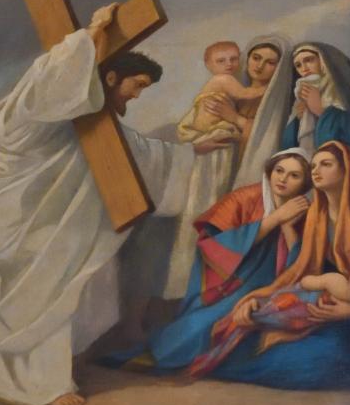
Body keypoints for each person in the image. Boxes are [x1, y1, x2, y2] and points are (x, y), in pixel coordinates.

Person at [0, 3, 228, 405]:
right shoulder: (36, 106)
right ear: (110, 76)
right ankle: (45, 385)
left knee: (50, 293)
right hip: (23, 220)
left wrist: (193, 150)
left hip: (53, 224)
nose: (137, 95)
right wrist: (90, 35)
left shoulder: (95, 124)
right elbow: (49, 83)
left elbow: (133, 152)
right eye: (137, 84)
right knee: (44, 293)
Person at [216, 141, 350, 390]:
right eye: (314, 165)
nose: (316, 171)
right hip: (323, 309)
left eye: (325, 164)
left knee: (312, 361)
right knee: (248, 338)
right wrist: (262, 300)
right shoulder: (318, 212)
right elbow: (302, 267)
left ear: (348, 170)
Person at [130, 149, 312, 372]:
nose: (283, 179)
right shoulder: (244, 197)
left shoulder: (305, 210)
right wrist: (275, 219)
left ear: (305, 183)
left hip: (272, 284)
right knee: (211, 321)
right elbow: (213, 244)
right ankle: (161, 355)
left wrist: (288, 226)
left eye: (294, 176)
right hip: (230, 281)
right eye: (279, 170)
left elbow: (303, 262)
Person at [162, 35, 284, 299]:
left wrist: (234, 119)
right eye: (256, 58)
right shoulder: (232, 90)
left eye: (270, 62)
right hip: (218, 168)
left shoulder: (276, 100)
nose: (260, 66)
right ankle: (192, 286)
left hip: (248, 175)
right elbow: (199, 128)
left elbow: (269, 142)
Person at [280, 42, 350, 192]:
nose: (304, 68)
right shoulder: (302, 93)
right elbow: (288, 146)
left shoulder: (344, 90)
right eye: (298, 65)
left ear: (323, 60)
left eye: (309, 60)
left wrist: (322, 112)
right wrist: (298, 120)